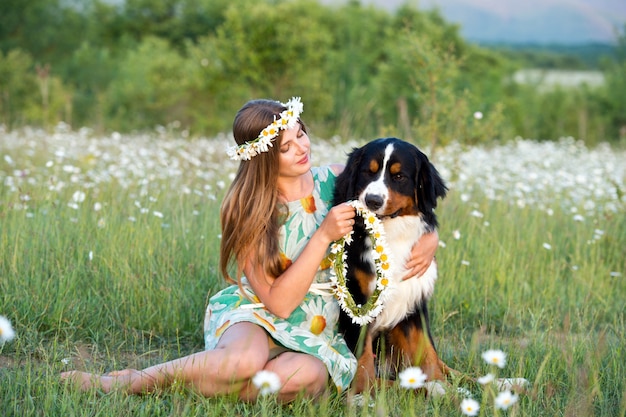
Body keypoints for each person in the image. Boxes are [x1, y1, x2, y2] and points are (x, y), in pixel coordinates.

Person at [61, 97, 439, 402]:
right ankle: (128, 383)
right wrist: (323, 236)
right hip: (260, 314)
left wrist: (430, 239)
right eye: (285, 146)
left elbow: (401, 202)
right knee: (244, 361)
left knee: (304, 377)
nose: (301, 149)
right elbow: (278, 305)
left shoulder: (337, 180)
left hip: (315, 328)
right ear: (262, 158)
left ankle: (203, 385)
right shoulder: (251, 213)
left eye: (301, 135)